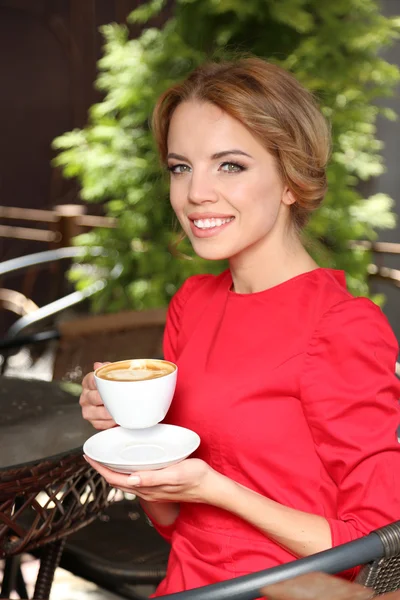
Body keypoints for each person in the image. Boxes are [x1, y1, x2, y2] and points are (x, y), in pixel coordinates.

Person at [81, 57, 400, 597]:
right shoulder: (193, 304)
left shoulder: (342, 326)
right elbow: (175, 522)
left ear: (290, 180)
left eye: (229, 165)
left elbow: (375, 547)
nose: (195, 193)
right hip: (187, 585)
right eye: (181, 167)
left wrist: (216, 489)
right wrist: (127, 436)